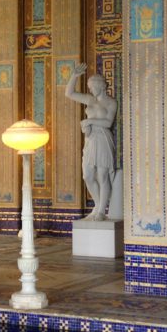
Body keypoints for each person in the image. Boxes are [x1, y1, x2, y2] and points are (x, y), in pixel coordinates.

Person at [64, 62, 118, 221]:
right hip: (91, 139)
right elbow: (69, 93)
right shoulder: (89, 100)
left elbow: (108, 122)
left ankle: (102, 210)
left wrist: (89, 121)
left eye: (92, 87)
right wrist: (74, 76)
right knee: (87, 175)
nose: (90, 90)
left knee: (102, 175)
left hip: (103, 138)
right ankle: (97, 205)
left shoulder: (111, 102)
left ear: (101, 86)